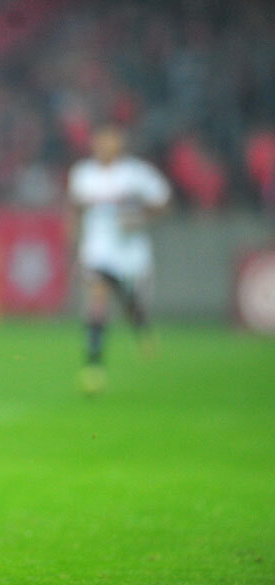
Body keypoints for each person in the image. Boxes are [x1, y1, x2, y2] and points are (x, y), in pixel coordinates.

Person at [68, 124, 171, 394]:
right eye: (100, 141)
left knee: (128, 300)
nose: (104, 147)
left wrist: (140, 217)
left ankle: (142, 326)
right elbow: (76, 208)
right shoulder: (83, 174)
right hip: (97, 249)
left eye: (110, 141)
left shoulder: (137, 174)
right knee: (97, 298)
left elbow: (163, 202)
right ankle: (93, 366)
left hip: (129, 252)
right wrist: (72, 239)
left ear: (119, 144)